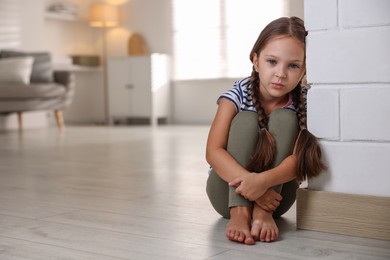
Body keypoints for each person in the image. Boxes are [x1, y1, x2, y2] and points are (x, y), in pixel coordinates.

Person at [205, 16, 326, 245]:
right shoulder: (237, 94)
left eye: (293, 65)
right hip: (226, 193)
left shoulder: (304, 103)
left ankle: (262, 214)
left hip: (275, 199)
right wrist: (252, 186)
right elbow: (213, 152)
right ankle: (240, 212)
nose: (281, 73)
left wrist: (263, 185)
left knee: (285, 119)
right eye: (272, 61)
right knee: (245, 120)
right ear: (256, 60)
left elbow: (299, 159)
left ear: (304, 70)